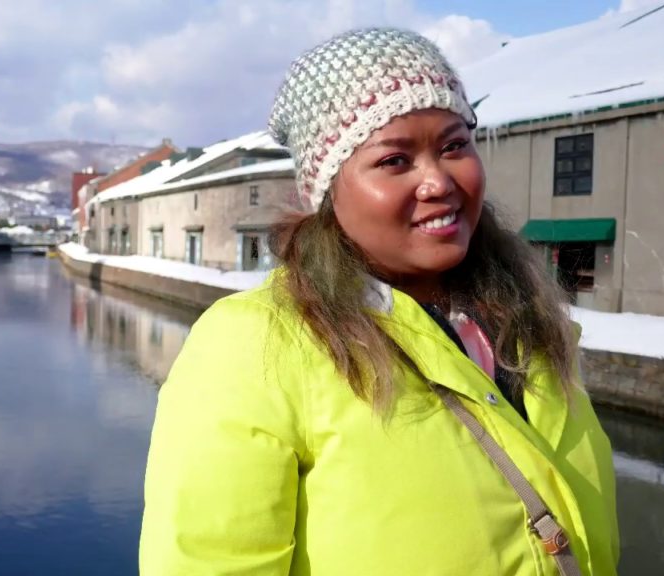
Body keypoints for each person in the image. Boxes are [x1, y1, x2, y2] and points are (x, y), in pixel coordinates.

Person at [140, 28, 619, 576]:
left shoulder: (528, 322)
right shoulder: (255, 346)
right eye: (395, 160)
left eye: (454, 145)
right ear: (327, 190)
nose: (438, 181)